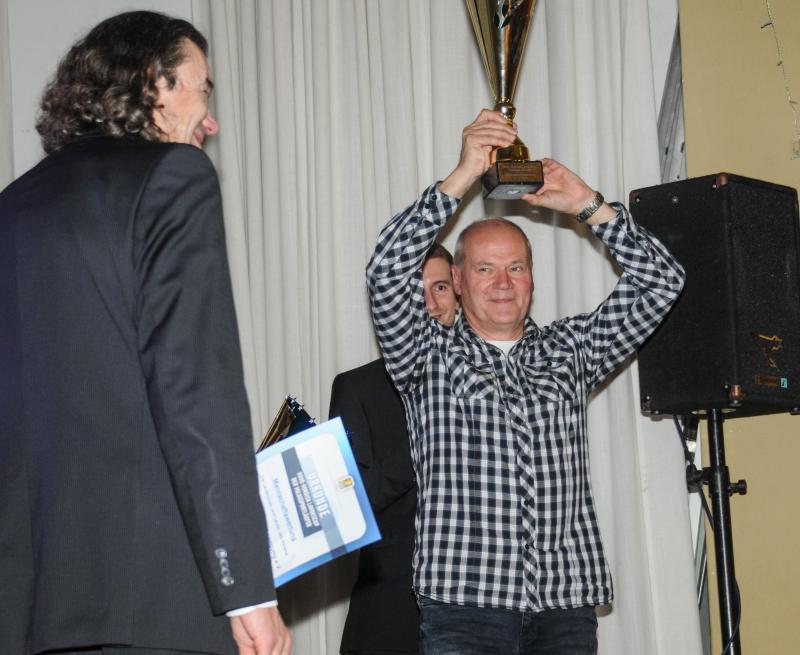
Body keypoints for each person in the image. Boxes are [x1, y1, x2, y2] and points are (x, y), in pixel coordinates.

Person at [0, 11, 290, 655]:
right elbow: (197, 391)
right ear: (154, 83)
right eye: (201, 89)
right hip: (152, 601)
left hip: (27, 609)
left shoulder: (12, 206)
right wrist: (246, 588)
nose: (210, 121)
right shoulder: (174, 176)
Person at [366, 109, 686, 654]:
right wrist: (463, 174)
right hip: (464, 607)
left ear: (532, 280)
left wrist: (587, 204)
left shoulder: (571, 349)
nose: (502, 282)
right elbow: (385, 270)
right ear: (457, 281)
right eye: (485, 269)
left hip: (565, 606)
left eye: (515, 268)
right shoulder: (426, 353)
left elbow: (663, 281)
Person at [330, 244, 459, 655]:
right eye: (414, 292)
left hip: (485, 614)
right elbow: (349, 506)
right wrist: (427, 435)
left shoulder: (496, 378)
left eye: (440, 287)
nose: (430, 304)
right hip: (389, 613)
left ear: (458, 293)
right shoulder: (358, 388)